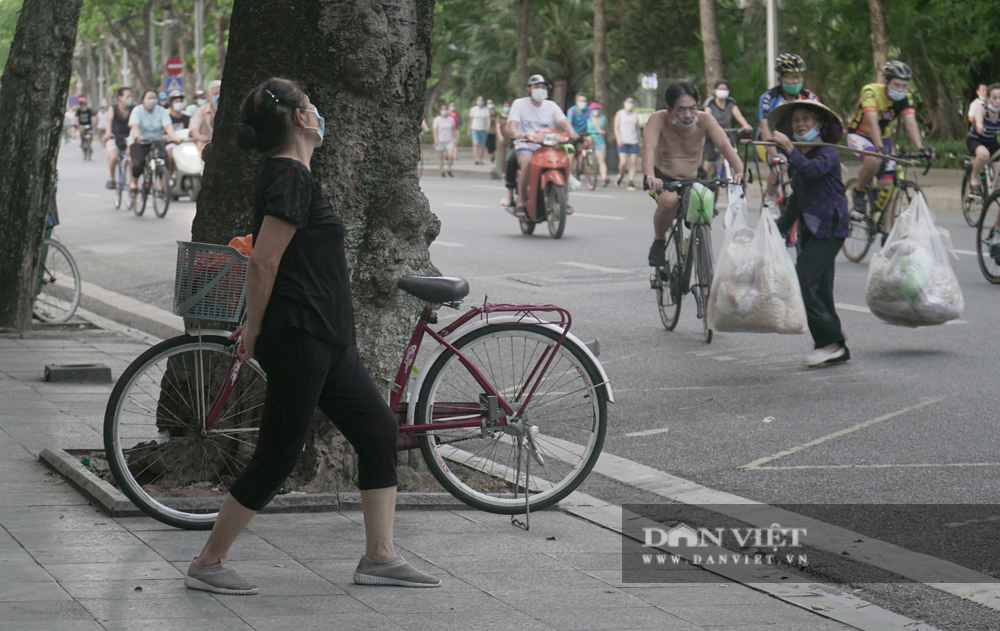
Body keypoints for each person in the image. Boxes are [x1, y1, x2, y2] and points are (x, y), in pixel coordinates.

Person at [184, 77, 440, 596]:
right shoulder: (288, 178)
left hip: (325, 335)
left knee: (377, 434)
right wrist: (253, 328)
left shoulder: (291, 175)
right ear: (300, 119)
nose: (318, 112)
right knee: (278, 455)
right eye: (311, 106)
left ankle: (380, 556)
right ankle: (209, 561)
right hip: (299, 334)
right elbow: (264, 260)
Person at [768, 101, 850, 367]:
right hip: (810, 228)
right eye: (796, 121)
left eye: (806, 119)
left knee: (803, 277)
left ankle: (831, 341)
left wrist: (790, 150)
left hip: (830, 228)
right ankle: (833, 347)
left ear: (819, 124)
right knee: (820, 288)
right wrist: (776, 229)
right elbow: (797, 199)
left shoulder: (828, 153)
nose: (800, 124)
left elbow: (812, 170)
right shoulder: (797, 160)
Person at [643, 82, 744, 267]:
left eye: (692, 109)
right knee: (669, 201)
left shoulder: (705, 120)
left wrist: (740, 171)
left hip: (694, 178)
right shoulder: (658, 119)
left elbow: (724, 145)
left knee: (703, 220)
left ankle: (706, 288)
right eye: (681, 110)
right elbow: (648, 147)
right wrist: (650, 176)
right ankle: (659, 240)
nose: (688, 115)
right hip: (663, 178)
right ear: (669, 109)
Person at [845, 60, 931, 233]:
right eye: (896, 85)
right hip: (860, 134)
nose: (900, 90)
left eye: (904, 86)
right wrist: (878, 148)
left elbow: (910, 122)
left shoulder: (906, 98)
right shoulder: (870, 91)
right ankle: (859, 192)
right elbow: (872, 120)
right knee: (874, 162)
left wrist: (921, 148)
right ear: (886, 82)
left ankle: (884, 227)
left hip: (884, 138)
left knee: (888, 184)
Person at [505, 74, 580, 217]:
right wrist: (517, 133)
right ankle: (520, 202)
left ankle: (565, 198)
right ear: (529, 89)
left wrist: (571, 132)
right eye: (536, 87)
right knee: (527, 162)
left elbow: (563, 121)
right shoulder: (519, 104)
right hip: (526, 146)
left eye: (543, 87)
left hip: (548, 147)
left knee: (565, 161)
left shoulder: (551, 106)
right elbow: (512, 125)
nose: (540, 90)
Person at [757, 54, 820, 211]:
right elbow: (765, 128)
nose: (796, 81)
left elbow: (819, 128)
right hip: (770, 141)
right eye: (791, 77)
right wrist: (774, 156)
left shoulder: (810, 97)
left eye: (799, 76)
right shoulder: (768, 98)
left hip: (796, 143)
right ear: (780, 80)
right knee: (781, 165)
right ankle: (770, 199)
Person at [128, 89, 180, 196]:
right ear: (143, 100)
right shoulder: (137, 111)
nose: (152, 100)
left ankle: (161, 184)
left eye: (154, 98)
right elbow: (134, 126)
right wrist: (137, 136)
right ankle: (134, 181)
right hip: (139, 141)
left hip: (156, 140)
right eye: (149, 98)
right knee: (138, 163)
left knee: (165, 159)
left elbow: (168, 126)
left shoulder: (161, 111)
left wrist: (174, 136)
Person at [702, 79, 753, 178]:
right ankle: (703, 180)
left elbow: (738, 115)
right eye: (720, 89)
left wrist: (745, 125)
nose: (722, 91)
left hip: (726, 134)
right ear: (715, 90)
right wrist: (711, 128)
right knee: (711, 158)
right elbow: (707, 117)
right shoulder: (710, 102)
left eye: (725, 89)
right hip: (711, 134)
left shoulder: (730, 102)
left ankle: (738, 178)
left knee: (733, 155)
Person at [967, 83, 1000, 197]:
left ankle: (992, 193)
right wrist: (980, 126)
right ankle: (974, 178)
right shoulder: (981, 108)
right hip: (976, 140)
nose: (998, 101)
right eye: (994, 98)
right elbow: (979, 121)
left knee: (998, 174)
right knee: (984, 155)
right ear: (988, 98)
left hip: (992, 142)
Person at [103, 87, 134, 189]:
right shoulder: (113, 108)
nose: (130, 98)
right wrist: (108, 133)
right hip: (114, 136)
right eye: (127, 96)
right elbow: (109, 120)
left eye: (131, 96)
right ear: (120, 97)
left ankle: (132, 180)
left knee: (133, 156)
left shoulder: (133, 109)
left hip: (129, 137)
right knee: (114, 156)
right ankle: (111, 177)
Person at [614, 95, 641, 190]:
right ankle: (621, 173)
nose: (630, 104)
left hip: (633, 141)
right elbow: (616, 127)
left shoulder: (635, 115)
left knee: (633, 162)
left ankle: (631, 181)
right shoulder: (620, 114)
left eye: (632, 102)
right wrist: (618, 139)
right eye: (628, 102)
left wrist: (640, 141)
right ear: (624, 103)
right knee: (623, 162)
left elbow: (637, 129)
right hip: (623, 140)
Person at [166, 90, 191, 181]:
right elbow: (162, 134)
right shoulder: (166, 118)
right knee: (170, 153)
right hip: (171, 144)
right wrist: (170, 137)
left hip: (186, 143)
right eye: (176, 102)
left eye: (180, 101)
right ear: (171, 103)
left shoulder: (187, 117)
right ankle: (169, 176)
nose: (179, 103)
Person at [566, 93, 591, 184]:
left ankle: (588, 158)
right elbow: (568, 123)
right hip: (572, 134)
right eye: (581, 101)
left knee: (590, 139)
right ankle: (570, 173)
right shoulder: (571, 111)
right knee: (571, 155)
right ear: (576, 102)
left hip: (583, 134)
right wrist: (571, 133)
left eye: (585, 101)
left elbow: (594, 120)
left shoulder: (589, 110)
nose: (583, 103)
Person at [190, 80, 221, 150]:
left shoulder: (229, 110)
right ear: (209, 96)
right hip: (206, 145)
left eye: (220, 93)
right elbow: (194, 126)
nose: (218, 96)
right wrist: (199, 136)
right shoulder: (201, 111)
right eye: (215, 94)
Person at [586, 102, 609, 187]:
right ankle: (590, 180)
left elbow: (606, 129)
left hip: (600, 141)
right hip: (590, 140)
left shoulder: (603, 118)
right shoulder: (588, 118)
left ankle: (604, 178)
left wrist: (608, 136)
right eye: (594, 109)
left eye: (597, 109)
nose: (596, 111)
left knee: (601, 161)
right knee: (590, 162)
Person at [432, 103, 456, 177]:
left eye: (445, 109)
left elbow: (453, 130)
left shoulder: (451, 119)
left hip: (449, 140)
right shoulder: (437, 119)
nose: (444, 111)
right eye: (443, 109)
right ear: (440, 110)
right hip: (440, 140)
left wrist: (455, 139)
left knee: (451, 156)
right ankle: (442, 170)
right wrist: (435, 139)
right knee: (440, 157)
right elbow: (435, 130)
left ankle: (449, 169)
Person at [468, 96, 491, 165]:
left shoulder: (486, 110)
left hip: (483, 129)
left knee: (482, 145)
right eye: (479, 100)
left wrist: (488, 126)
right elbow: (471, 120)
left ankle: (481, 159)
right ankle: (476, 159)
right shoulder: (473, 109)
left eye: (481, 100)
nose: (480, 101)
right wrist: (469, 130)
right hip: (475, 129)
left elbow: (488, 119)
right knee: (475, 144)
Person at [496, 101, 512, 187]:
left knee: (510, 156)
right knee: (502, 157)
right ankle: (503, 173)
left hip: (510, 138)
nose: (506, 108)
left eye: (508, 106)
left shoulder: (511, 117)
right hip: (502, 138)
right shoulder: (500, 117)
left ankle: (510, 173)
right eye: (505, 106)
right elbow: (497, 127)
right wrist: (500, 136)